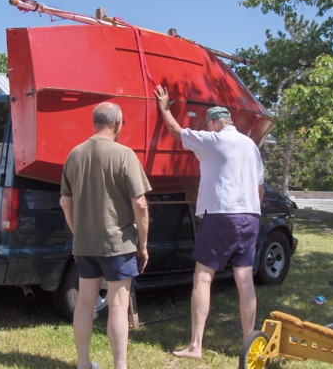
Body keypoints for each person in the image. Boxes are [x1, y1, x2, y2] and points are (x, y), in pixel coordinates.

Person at [154, 85, 265, 359]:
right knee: (244, 280)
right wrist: (252, 210)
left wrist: (164, 107)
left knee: (202, 278)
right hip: (250, 216)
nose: (208, 128)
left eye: (208, 124)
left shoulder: (214, 140)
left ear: (215, 123)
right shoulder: (251, 146)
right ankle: (249, 343)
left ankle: (195, 346)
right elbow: (260, 187)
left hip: (221, 215)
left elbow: (175, 132)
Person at [59, 101, 151, 369]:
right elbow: (141, 204)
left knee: (85, 300)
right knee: (118, 305)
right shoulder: (125, 155)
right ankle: (120, 366)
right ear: (118, 123)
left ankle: (84, 364)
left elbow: (65, 202)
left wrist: (79, 234)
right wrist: (143, 244)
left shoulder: (74, 154)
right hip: (118, 244)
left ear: (94, 122)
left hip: (85, 243)